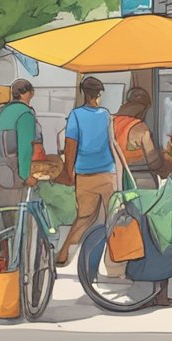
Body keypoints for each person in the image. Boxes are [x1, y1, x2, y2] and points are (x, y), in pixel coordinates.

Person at [112, 87, 172, 308]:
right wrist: (167, 162)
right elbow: (154, 162)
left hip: (123, 183)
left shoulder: (111, 124)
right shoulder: (139, 128)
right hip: (144, 185)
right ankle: (159, 293)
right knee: (157, 235)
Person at [55, 77, 119, 267]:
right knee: (113, 217)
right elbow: (112, 144)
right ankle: (114, 259)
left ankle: (63, 254)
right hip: (108, 173)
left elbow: (70, 146)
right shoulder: (106, 115)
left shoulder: (75, 115)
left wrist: (69, 172)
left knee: (84, 217)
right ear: (98, 95)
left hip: (84, 175)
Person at [0, 80, 39, 213]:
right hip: (14, 177)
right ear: (29, 93)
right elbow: (25, 148)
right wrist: (26, 176)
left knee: (4, 219)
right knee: (18, 220)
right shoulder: (25, 113)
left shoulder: (3, 111)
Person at [113, 88, 170, 190]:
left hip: (115, 179)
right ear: (145, 110)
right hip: (138, 178)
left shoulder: (109, 122)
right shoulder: (142, 129)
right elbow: (154, 163)